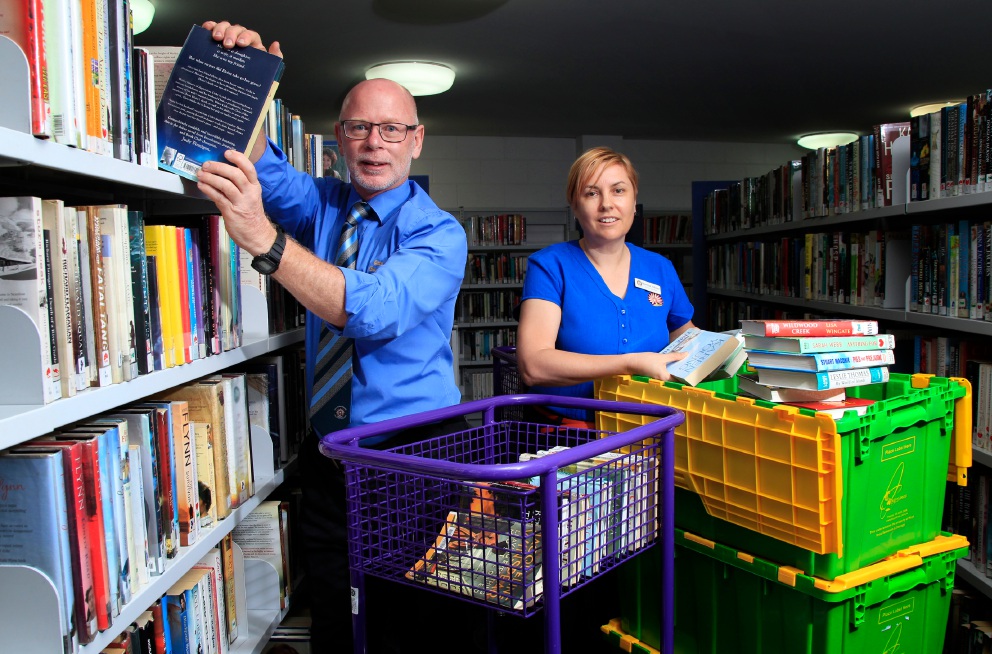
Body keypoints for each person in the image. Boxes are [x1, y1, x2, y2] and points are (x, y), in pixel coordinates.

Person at [196, 20, 472, 653]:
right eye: (359, 128)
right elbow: (262, 166)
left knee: (406, 624)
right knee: (335, 620)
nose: (376, 144)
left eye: (393, 130)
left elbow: (371, 308)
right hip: (327, 456)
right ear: (339, 139)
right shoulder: (324, 203)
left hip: (411, 460)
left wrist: (264, 243)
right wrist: (243, 80)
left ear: (417, 141)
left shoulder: (439, 234)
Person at [516, 146, 696, 422]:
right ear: (575, 206)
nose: (606, 204)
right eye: (591, 193)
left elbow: (685, 337)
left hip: (647, 428)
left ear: (634, 201)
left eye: (619, 190)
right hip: (571, 435)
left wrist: (732, 350)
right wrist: (630, 363)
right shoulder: (551, 266)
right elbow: (533, 365)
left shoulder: (660, 267)